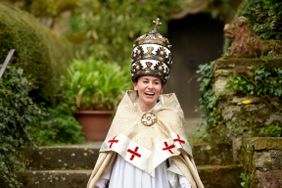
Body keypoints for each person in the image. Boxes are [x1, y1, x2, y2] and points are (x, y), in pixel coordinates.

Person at [87, 18, 204, 188]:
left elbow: (179, 162)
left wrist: (186, 184)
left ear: (161, 88)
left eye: (156, 82)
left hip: (158, 180)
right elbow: (109, 158)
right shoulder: (125, 114)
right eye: (145, 81)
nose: (150, 87)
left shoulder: (170, 116)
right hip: (124, 179)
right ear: (136, 84)